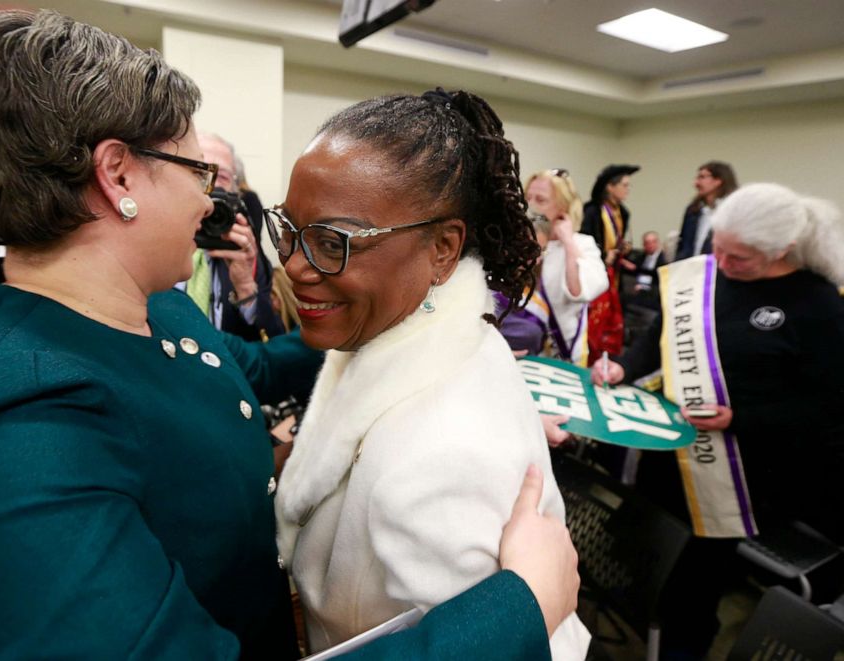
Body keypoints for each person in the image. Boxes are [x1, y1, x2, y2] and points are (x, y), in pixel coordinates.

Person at [0, 12, 579, 659]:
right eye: (196, 171)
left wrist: (439, 362)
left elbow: (258, 370)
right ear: (118, 173)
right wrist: (520, 607)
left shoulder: (151, 306)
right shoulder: (1, 426)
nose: (210, 199)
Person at [271, 90, 590, 659]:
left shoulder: (434, 461)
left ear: (443, 248)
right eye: (289, 230)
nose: (293, 265)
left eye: (332, 242)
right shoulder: (412, 335)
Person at [592, 183, 844, 657]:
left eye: (739, 259)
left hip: (739, 476)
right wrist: (625, 364)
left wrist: (740, 418)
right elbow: (662, 335)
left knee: (693, 589)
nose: (722, 266)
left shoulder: (819, 305)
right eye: (718, 250)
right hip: (667, 456)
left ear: (782, 250)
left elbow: (827, 406)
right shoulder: (705, 274)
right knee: (642, 560)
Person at [177, 132, 286, 341]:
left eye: (223, 178)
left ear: (235, 190)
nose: (211, 187)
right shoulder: (155, 242)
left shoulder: (246, 253)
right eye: (200, 173)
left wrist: (245, 287)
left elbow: (271, 344)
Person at [507, 169, 607, 366]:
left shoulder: (582, 244)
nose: (530, 206)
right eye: (527, 197)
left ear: (564, 207)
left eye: (541, 200)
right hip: (518, 350)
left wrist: (568, 241)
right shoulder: (514, 240)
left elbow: (578, 291)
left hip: (561, 355)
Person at [580, 164, 639, 362]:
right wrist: (605, 255)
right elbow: (584, 241)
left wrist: (622, 251)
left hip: (615, 275)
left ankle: (608, 358)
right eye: (624, 185)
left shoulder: (623, 212)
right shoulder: (592, 211)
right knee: (594, 320)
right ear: (610, 187)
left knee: (612, 320)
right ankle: (590, 357)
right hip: (597, 271)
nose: (627, 190)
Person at [675, 161, 738, 261]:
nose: (696, 183)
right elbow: (683, 245)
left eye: (702, 177)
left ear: (718, 181)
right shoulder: (692, 211)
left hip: (721, 272)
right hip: (692, 271)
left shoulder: (735, 211)